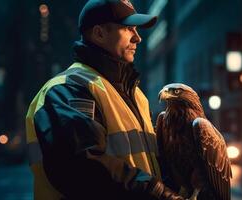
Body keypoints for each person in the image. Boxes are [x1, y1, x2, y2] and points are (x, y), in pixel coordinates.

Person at [25, 0, 184, 199]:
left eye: (136, 29)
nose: (138, 38)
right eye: (128, 29)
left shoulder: (136, 95)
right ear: (99, 34)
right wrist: (157, 192)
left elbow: (146, 160)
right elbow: (82, 168)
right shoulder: (67, 89)